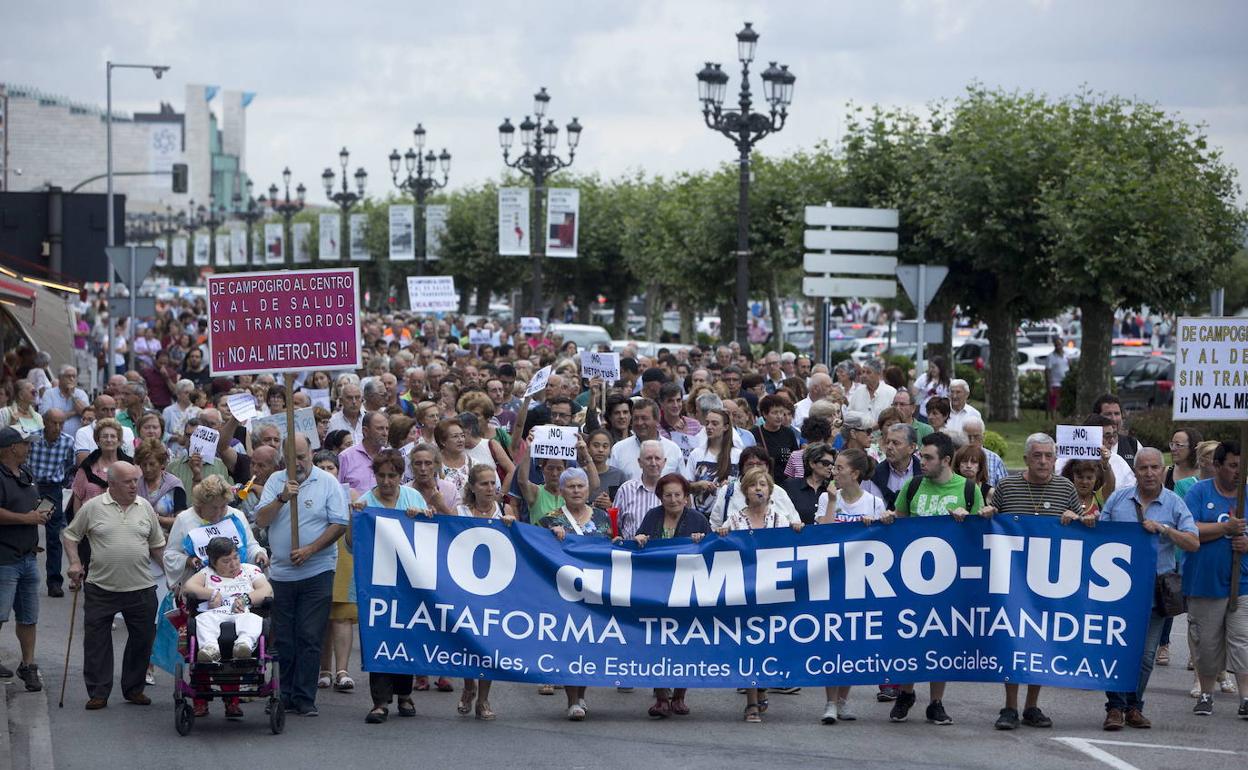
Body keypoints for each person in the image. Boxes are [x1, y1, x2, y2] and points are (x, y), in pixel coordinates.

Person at [980, 433, 1085, 730]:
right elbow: (994, 518)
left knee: (1041, 643)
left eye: (1048, 456)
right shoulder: (1008, 485)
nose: (1043, 461)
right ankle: (1010, 707)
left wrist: (1074, 518)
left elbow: (1082, 532)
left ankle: (1032, 706)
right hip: (1012, 581)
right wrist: (989, 513)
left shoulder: (1066, 488)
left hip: (1049, 582)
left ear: (1055, 459)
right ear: (1026, 458)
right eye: (1037, 455)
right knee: (1012, 641)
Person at [888, 432, 986, 726]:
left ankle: (936, 702)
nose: (922, 461)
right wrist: (886, 518)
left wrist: (967, 519)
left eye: (928, 457)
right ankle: (906, 692)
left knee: (940, 638)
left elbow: (979, 534)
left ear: (946, 460)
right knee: (909, 635)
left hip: (949, 580)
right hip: (911, 578)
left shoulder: (968, 490)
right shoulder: (914, 485)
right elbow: (898, 523)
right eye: (921, 456)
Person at [1098, 447, 1199, 730]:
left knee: (1145, 656)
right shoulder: (1117, 500)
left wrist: (1165, 530)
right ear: (1135, 472)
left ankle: (1134, 706)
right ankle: (1115, 708)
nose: (1149, 473)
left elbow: (1193, 542)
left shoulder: (1175, 503)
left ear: (1163, 469)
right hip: (1117, 591)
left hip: (1157, 590)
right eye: (1143, 468)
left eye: (1155, 467)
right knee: (1116, 651)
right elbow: (1099, 538)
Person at [255, 433, 349, 717]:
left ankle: (305, 696)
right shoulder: (275, 481)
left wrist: (311, 549)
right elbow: (261, 520)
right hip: (282, 573)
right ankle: (284, 694)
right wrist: (283, 498)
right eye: (292, 458)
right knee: (284, 637)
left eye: (302, 457)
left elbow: (340, 523)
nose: (298, 463)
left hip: (317, 570)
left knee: (309, 635)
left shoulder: (327, 482)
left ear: (311, 453)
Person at [62, 462, 166, 709]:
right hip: (101, 587)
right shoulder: (93, 507)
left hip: (141, 587)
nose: (134, 486)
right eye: (127, 481)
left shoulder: (145, 508)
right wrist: (75, 563)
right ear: (111, 484)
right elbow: (70, 535)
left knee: (142, 641)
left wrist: (174, 577)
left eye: (135, 480)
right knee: (97, 642)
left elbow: (157, 546)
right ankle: (99, 692)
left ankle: (134, 689)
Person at [715, 466, 803, 722]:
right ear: (745, 491)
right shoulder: (735, 521)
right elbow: (719, 547)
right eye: (753, 485)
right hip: (744, 593)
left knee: (768, 644)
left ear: (770, 490)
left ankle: (762, 685)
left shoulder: (780, 519)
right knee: (748, 645)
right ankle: (751, 701)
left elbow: (793, 548)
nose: (758, 489)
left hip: (773, 593)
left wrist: (797, 531)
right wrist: (721, 535)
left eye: (763, 485)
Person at [351, 448, 430, 723]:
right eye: (382, 476)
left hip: (408, 583)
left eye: (392, 476)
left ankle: (405, 694)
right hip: (377, 584)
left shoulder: (413, 497)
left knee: (405, 636)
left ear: (400, 476)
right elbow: (351, 545)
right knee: (379, 638)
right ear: (374, 475)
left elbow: (431, 532)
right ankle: (380, 701)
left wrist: (422, 515)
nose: (386, 482)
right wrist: (356, 518)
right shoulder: (364, 501)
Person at [813, 446, 885, 723]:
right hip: (833, 580)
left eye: (839, 467)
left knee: (853, 641)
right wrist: (831, 502)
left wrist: (877, 524)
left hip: (863, 582)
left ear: (855, 474)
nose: (834, 472)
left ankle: (843, 700)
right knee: (833, 640)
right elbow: (822, 536)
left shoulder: (874, 503)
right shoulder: (826, 498)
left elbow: (883, 541)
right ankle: (829, 703)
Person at [633, 473, 710, 719]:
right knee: (658, 642)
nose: (673, 499)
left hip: (688, 592)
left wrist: (702, 541)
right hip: (656, 590)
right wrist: (640, 539)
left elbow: (713, 553)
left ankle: (679, 696)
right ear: (660, 498)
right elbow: (638, 545)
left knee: (685, 643)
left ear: (686, 497)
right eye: (668, 495)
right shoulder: (652, 517)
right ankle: (661, 698)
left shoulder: (698, 519)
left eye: (678, 494)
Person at [538, 468, 612, 721]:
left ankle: (581, 694)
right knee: (570, 644)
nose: (577, 490)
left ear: (588, 489)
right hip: (565, 593)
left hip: (595, 590)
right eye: (571, 487)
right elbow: (538, 551)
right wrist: (551, 538)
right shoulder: (550, 520)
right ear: (561, 491)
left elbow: (611, 549)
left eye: (581, 486)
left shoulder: (602, 517)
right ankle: (572, 700)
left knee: (590, 644)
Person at [1181, 441, 1248, 718]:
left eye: (1242, 467)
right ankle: (1206, 693)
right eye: (1233, 466)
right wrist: (1224, 528)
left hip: (1242, 584)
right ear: (1217, 466)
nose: (1238, 472)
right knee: (1206, 644)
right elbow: (1187, 529)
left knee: (1243, 640)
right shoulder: (1199, 492)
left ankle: (1246, 698)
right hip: (1204, 582)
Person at [453, 464, 516, 720]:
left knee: (489, 643)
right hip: (465, 587)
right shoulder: (460, 511)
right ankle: (468, 688)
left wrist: (511, 525)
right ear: (472, 487)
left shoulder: (505, 510)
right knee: (468, 641)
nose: (490, 489)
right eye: (484, 484)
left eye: (493, 484)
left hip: (496, 588)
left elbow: (518, 546)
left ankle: (484, 698)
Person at [0, 427, 50, 691]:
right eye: (24, 444)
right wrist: (27, 518)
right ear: (11, 448)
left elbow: (33, 502)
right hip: (4, 557)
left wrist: (41, 512)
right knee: (0, 614)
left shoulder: (27, 473)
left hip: (29, 556)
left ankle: (27, 665)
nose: (28, 448)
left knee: (29, 616)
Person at [312, 450, 358, 695]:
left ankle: (342, 671)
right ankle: (324, 670)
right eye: (322, 467)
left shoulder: (350, 494)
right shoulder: (309, 493)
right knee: (322, 617)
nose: (327, 472)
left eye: (331, 467)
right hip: (317, 555)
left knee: (342, 615)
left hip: (343, 555)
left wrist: (355, 508)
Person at [182, 536, 272, 660]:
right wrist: (212, 594)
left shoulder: (249, 570)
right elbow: (188, 587)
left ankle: (243, 646)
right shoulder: (207, 573)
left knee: (254, 620)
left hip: (243, 612)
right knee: (203, 620)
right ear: (214, 563)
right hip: (215, 612)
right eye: (226, 561)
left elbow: (267, 590)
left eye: (236, 557)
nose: (234, 564)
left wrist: (244, 600)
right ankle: (210, 649)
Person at [27, 408, 75, 596]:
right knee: (28, 530)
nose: (57, 427)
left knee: (53, 536)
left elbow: (70, 465)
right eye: (53, 423)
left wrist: (61, 483)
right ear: (44, 423)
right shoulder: (33, 439)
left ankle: (54, 582)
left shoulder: (67, 442)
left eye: (60, 423)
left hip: (52, 490)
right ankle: (26, 577)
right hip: (32, 486)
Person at [609, 399, 682, 481]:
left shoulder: (673, 450)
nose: (639, 423)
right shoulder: (619, 449)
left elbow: (683, 485)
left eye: (644, 418)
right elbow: (612, 483)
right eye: (636, 419)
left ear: (657, 420)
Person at [613, 441, 665, 539]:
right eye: (648, 458)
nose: (653, 463)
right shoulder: (625, 490)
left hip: (661, 552)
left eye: (657, 458)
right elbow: (614, 525)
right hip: (631, 552)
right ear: (640, 462)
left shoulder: (671, 492)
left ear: (664, 462)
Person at [781, 441, 835, 524]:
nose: (830, 467)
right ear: (812, 463)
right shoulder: (790, 486)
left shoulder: (833, 490)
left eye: (832, 463)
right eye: (826, 463)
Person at [871, 423, 921, 509]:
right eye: (887, 442)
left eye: (895, 443)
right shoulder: (874, 474)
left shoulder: (924, 473)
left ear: (912, 448)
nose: (889, 447)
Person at [752, 393, 800, 480]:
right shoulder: (754, 433)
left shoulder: (789, 433)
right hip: (763, 480)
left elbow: (796, 461)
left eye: (781, 412)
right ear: (765, 414)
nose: (779, 416)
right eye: (774, 413)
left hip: (786, 483)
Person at [38, 365, 89, 436]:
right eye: (68, 376)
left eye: (74, 376)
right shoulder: (49, 394)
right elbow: (46, 417)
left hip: (77, 437)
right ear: (60, 378)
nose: (72, 379)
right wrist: (74, 412)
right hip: (55, 437)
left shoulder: (81, 394)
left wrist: (72, 395)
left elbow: (85, 413)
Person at [1092, 394, 1141, 468]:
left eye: (1117, 414)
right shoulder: (1087, 446)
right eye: (1108, 414)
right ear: (1096, 417)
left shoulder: (1133, 445)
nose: (1113, 419)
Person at [961, 417, 1007, 487]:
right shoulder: (957, 456)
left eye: (976, 436)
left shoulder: (995, 459)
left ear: (983, 436)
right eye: (968, 437)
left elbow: (1004, 488)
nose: (972, 441)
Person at [1166, 428, 1202, 493]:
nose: (1173, 449)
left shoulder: (1204, 474)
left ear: (1193, 447)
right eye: (1172, 444)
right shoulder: (1166, 473)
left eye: (1178, 445)